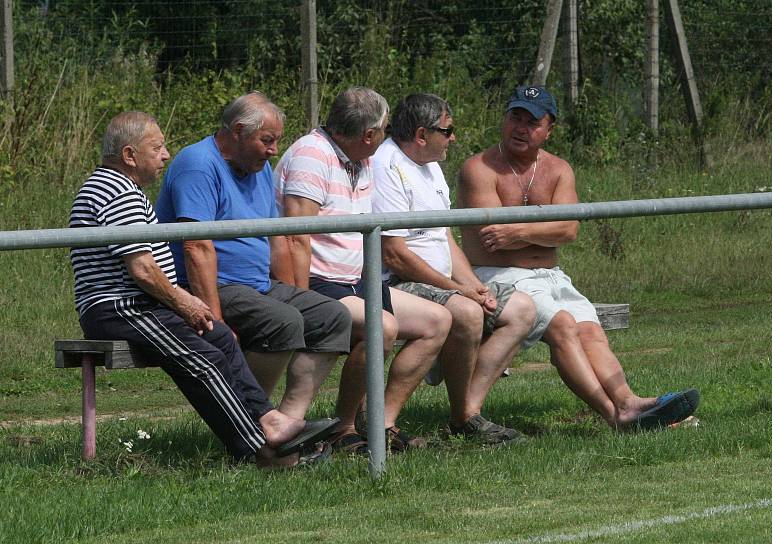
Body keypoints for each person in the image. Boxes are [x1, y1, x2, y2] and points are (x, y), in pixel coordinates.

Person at [70, 111, 332, 468]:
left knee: (220, 338)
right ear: (129, 155)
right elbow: (142, 268)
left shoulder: (123, 188)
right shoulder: (116, 190)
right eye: (157, 148)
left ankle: (269, 419)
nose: (165, 156)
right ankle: (261, 450)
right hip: (121, 307)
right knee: (202, 360)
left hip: (140, 304)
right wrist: (184, 301)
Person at [458, 86, 700, 430]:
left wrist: (521, 232)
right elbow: (494, 237)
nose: (521, 127)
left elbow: (568, 230)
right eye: (515, 117)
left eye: (532, 121)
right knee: (562, 326)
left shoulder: (558, 169)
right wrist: (543, 226)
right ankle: (619, 417)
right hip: (498, 275)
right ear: (505, 119)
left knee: (590, 331)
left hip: (552, 275)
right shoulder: (478, 168)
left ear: (548, 130)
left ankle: (628, 402)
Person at [155, 92, 352, 424]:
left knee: (332, 316)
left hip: (257, 285)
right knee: (283, 321)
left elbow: (276, 241)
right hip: (211, 286)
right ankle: (248, 422)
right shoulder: (198, 164)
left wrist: (296, 295)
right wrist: (215, 324)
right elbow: (196, 248)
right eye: (267, 140)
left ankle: (290, 423)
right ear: (237, 131)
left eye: (276, 141)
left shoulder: (259, 167)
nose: (274, 150)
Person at [275, 87, 453, 453]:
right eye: (385, 130)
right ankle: (343, 430)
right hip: (321, 284)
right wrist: (302, 302)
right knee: (382, 326)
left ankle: (380, 423)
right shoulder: (312, 155)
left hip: (356, 282)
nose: (387, 136)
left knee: (437, 321)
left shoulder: (363, 158)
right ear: (368, 135)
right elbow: (296, 238)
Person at [371, 93, 536, 445]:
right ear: (420, 134)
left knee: (522, 309)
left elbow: (444, 237)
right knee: (465, 313)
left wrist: (475, 285)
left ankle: (467, 414)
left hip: (440, 282)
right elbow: (394, 254)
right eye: (447, 130)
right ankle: (385, 423)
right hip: (397, 283)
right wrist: (456, 290)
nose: (453, 137)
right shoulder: (386, 166)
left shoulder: (430, 165)